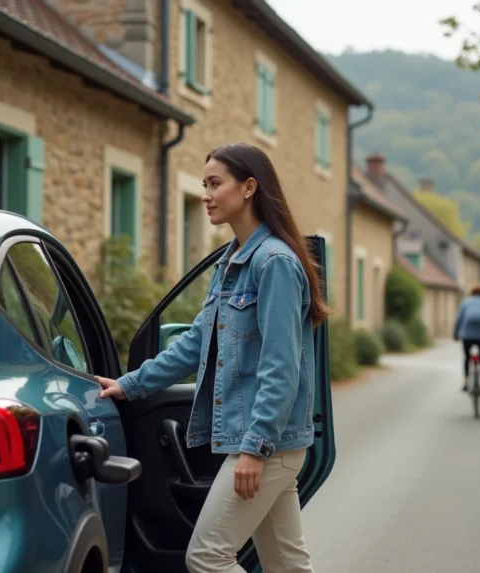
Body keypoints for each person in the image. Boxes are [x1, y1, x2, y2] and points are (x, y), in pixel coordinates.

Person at [94, 142, 327, 573]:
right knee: (286, 566)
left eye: (215, 184)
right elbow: (196, 343)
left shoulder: (273, 262)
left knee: (207, 556)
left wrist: (254, 449)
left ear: (249, 187)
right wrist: (129, 384)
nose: (205, 194)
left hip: (266, 442)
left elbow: (282, 366)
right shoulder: (230, 263)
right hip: (270, 443)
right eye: (204, 184)